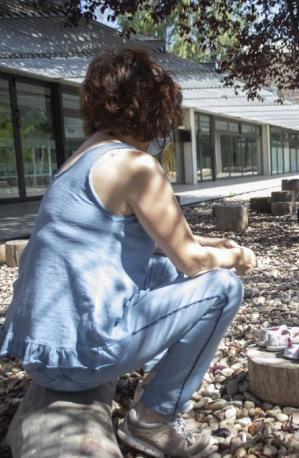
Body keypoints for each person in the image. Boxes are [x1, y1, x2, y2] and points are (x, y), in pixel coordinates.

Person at [0, 48, 256, 457]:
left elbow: (154, 238)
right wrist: (236, 256)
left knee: (166, 271)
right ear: (154, 109)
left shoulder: (82, 158)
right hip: (78, 361)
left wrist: (212, 244)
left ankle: (154, 376)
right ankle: (156, 417)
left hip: (40, 353)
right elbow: (190, 260)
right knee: (223, 287)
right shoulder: (136, 165)